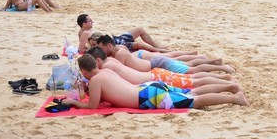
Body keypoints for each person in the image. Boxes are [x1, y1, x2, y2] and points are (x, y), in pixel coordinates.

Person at [62, 54, 248, 110]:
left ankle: (233, 97)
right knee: (193, 90)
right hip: (149, 87)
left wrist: (73, 102)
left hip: (147, 96)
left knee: (194, 100)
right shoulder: (107, 71)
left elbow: (93, 106)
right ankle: (228, 87)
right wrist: (85, 90)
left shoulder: (95, 80)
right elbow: (106, 93)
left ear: (84, 71)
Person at [86, 47, 232, 88]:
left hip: (156, 72)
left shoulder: (109, 66)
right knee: (191, 73)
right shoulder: (112, 59)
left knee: (193, 75)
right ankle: (221, 73)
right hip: (155, 71)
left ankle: (223, 74)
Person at [98, 35, 235, 74]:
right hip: (157, 64)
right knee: (187, 65)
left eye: (101, 48)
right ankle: (214, 62)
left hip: (158, 64)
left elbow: (121, 72)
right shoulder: (120, 49)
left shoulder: (120, 53)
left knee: (191, 70)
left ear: (109, 45)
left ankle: (222, 68)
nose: (101, 51)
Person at [77, 14, 169, 54]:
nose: (92, 22)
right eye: (90, 21)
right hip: (114, 43)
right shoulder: (85, 33)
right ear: (84, 24)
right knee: (138, 45)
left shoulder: (85, 32)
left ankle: (157, 46)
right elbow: (81, 50)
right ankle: (158, 49)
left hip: (115, 39)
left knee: (140, 30)